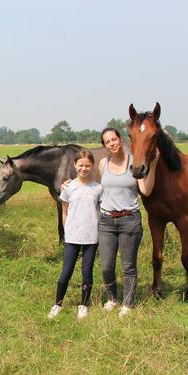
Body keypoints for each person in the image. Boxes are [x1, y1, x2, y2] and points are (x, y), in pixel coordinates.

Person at [98, 127, 158, 317]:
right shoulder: (102, 164)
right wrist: (70, 185)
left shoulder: (134, 162)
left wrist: (153, 166)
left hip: (129, 220)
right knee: (106, 265)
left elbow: (146, 191)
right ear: (104, 146)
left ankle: (128, 303)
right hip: (106, 221)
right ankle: (112, 298)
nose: (112, 144)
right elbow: (95, 187)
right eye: (108, 142)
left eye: (114, 139)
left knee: (128, 265)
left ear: (121, 140)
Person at [48, 149, 102, 320]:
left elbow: (101, 211)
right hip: (72, 236)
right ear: (75, 165)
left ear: (92, 166)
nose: (84, 168)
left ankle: (84, 305)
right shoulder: (68, 187)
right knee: (66, 271)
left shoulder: (98, 188)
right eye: (81, 165)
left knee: (87, 271)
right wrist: (67, 230)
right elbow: (64, 211)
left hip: (91, 236)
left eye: (87, 165)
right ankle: (57, 303)